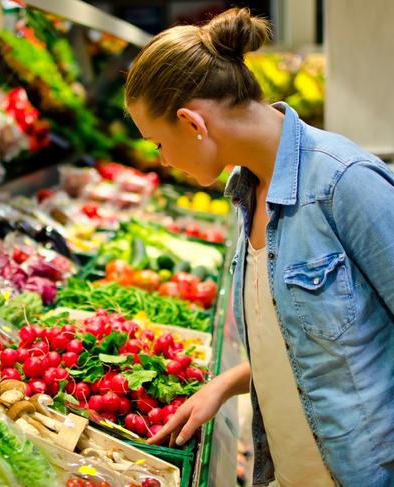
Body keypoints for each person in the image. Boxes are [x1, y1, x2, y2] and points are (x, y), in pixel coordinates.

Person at [125, 7, 394, 487]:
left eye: (158, 144)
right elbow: (311, 336)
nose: (162, 161)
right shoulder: (247, 192)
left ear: (192, 123)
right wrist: (227, 384)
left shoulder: (344, 183)